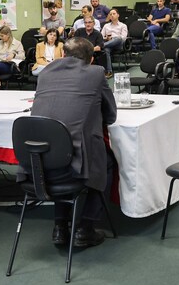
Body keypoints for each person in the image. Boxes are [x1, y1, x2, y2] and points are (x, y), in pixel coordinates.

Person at [27, 37, 117, 248]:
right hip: (72, 163)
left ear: (63, 55)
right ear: (91, 59)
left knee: (58, 156)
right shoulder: (95, 73)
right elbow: (111, 116)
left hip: (37, 163)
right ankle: (85, 228)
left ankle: (60, 227)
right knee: (107, 161)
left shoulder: (46, 72)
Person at [101, 8, 127, 77]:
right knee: (106, 50)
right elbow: (101, 36)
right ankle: (109, 71)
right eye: (110, 14)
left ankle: (101, 46)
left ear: (118, 15)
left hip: (119, 44)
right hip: (109, 44)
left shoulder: (123, 25)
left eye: (114, 14)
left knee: (118, 38)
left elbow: (123, 38)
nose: (112, 15)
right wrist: (106, 38)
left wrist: (113, 39)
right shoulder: (106, 26)